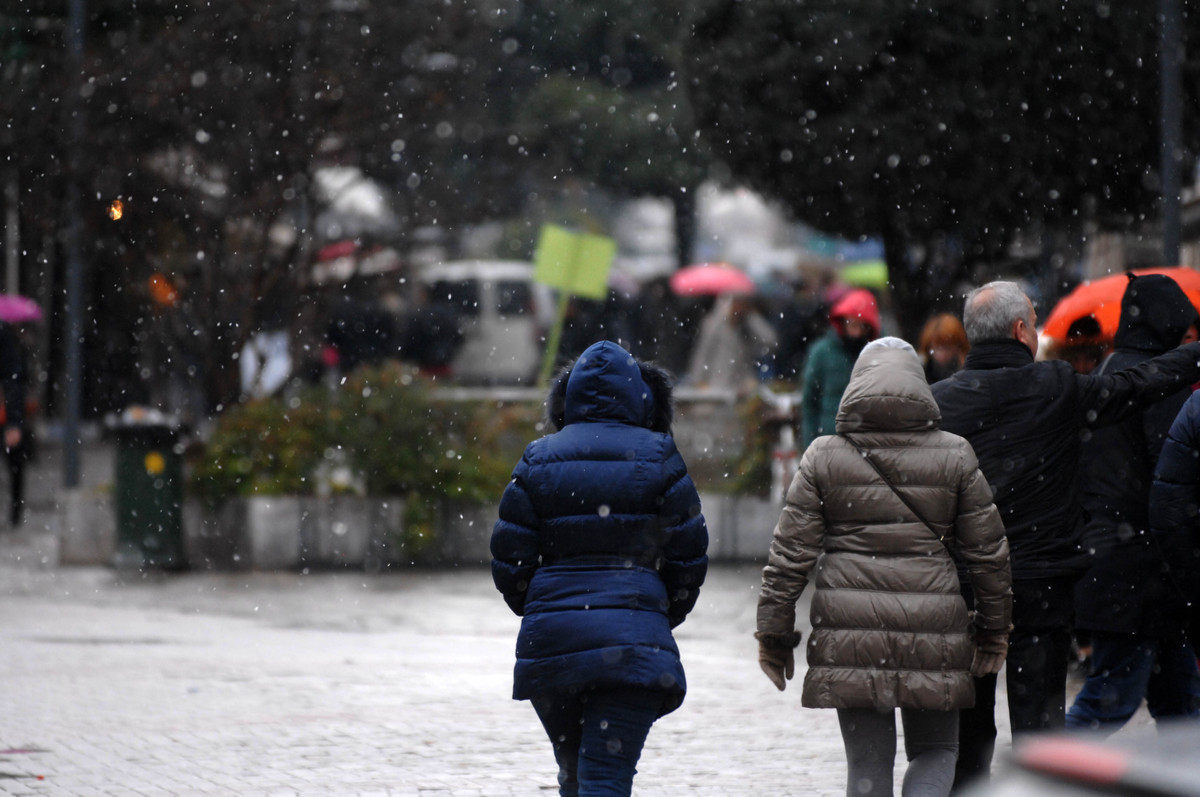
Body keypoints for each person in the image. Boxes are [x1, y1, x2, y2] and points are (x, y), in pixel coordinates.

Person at [928, 280, 1200, 791]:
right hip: (1041, 587)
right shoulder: (1054, 386)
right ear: (1019, 330)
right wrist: (1193, 357)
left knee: (968, 734)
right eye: (1033, 320)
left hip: (961, 588)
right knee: (1040, 726)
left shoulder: (939, 403)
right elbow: (1137, 384)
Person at [757, 337, 1012, 797]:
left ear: (857, 385)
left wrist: (774, 638)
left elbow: (789, 556)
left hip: (850, 629)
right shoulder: (955, 454)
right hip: (933, 627)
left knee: (867, 769)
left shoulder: (823, 455)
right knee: (936, 753)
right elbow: (988, 555)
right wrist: (994, 631)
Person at [491, 340, 709, 797]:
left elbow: (510, 557)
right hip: (634, 641)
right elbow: (688, 553)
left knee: (574, 775)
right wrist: (661, 610)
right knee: (606, 776)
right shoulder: (659, 455)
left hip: (552, 643)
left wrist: (539, 605)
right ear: (640, 397)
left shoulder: (538, 457)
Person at [1067, 274, 1200, 733]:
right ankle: (1039, 777)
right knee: (1112, 700)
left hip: (1115, 567)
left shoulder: (1109, 373)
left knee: (1182, 705)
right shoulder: (1158, 382)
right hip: (1143, 574)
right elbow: (1176, 475)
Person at [799, 287, 879, 448]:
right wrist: (811, 445)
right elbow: (809, 401)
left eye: (861, 326)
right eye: (851, 324)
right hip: (830, 442)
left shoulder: (878, 353)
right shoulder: (821, 353)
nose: (855, 332)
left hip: (870, 442)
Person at [685, 293, 778, 393]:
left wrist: (752, 316)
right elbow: (702, 354)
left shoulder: (748, 326)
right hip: (716, 387)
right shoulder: (714, 325)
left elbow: (771, 341)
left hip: (742, 388)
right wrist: (698, 381)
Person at [0, 320, 29, 527]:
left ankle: (15, 513)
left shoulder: (4, 334)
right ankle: (15, 513)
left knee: (15, 465)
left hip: (4, 415)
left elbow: (14, 379)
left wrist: (14, 422)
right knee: (15, 466)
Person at [917, 313, 969, 384]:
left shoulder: (967, 370)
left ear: (957, 346)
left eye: (947, 348)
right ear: (929, 346)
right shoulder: (920, 369)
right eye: (936, 348)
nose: (941, 354)